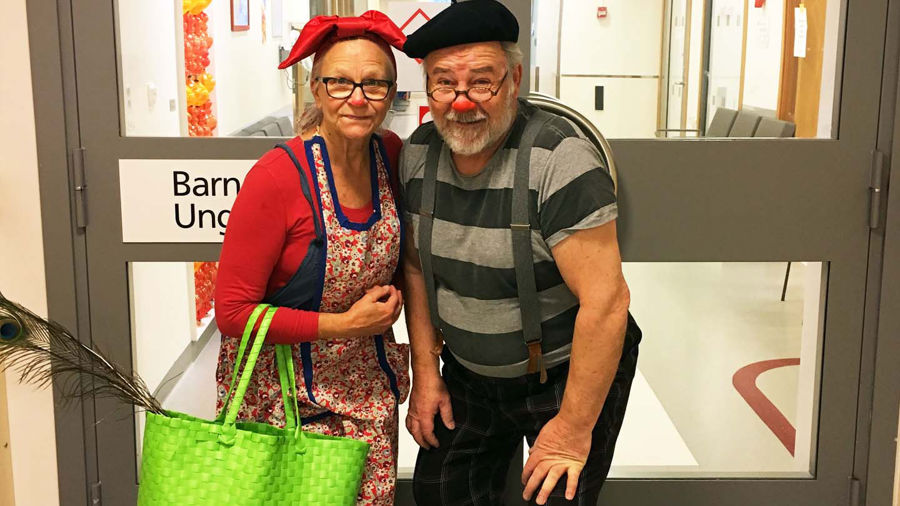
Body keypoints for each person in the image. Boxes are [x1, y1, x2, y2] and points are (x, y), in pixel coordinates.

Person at [398, 1, 642, 505]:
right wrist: (425, 374)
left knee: (557, 497)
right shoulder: (418, 154)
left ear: (513, 79)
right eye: (444, 83)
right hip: (468, 374)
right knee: (439, 494)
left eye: (481, 82)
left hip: (563, 370)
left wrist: (573, 428)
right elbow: (416, 270)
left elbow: (607, 303)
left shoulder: (559, 159)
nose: (461, 102)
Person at [214, 11, 411, 505]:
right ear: (316, 89)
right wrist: (343, 325)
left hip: (367, 395)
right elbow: (233, 313)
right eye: (340, 82)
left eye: (374, 84)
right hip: (284, 405)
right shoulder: (276, 178)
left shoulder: (390, 154)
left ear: (391, 93)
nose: (358, 99)